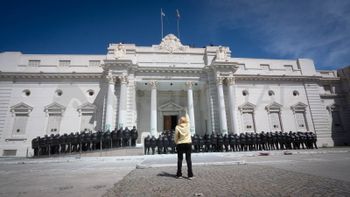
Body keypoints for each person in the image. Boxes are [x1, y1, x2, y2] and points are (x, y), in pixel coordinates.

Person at [175, 110, 194, 179]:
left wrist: (176, 142)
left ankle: (179, 174)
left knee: (180, 159)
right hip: (188, 143)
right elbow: (188, 120)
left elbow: (176, 136)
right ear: (185, 121)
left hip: (180, 144)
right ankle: (190, 175)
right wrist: (186, 112)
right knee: (188, 159)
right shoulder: (188, 125)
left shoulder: (177, 127)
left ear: (180, 121)